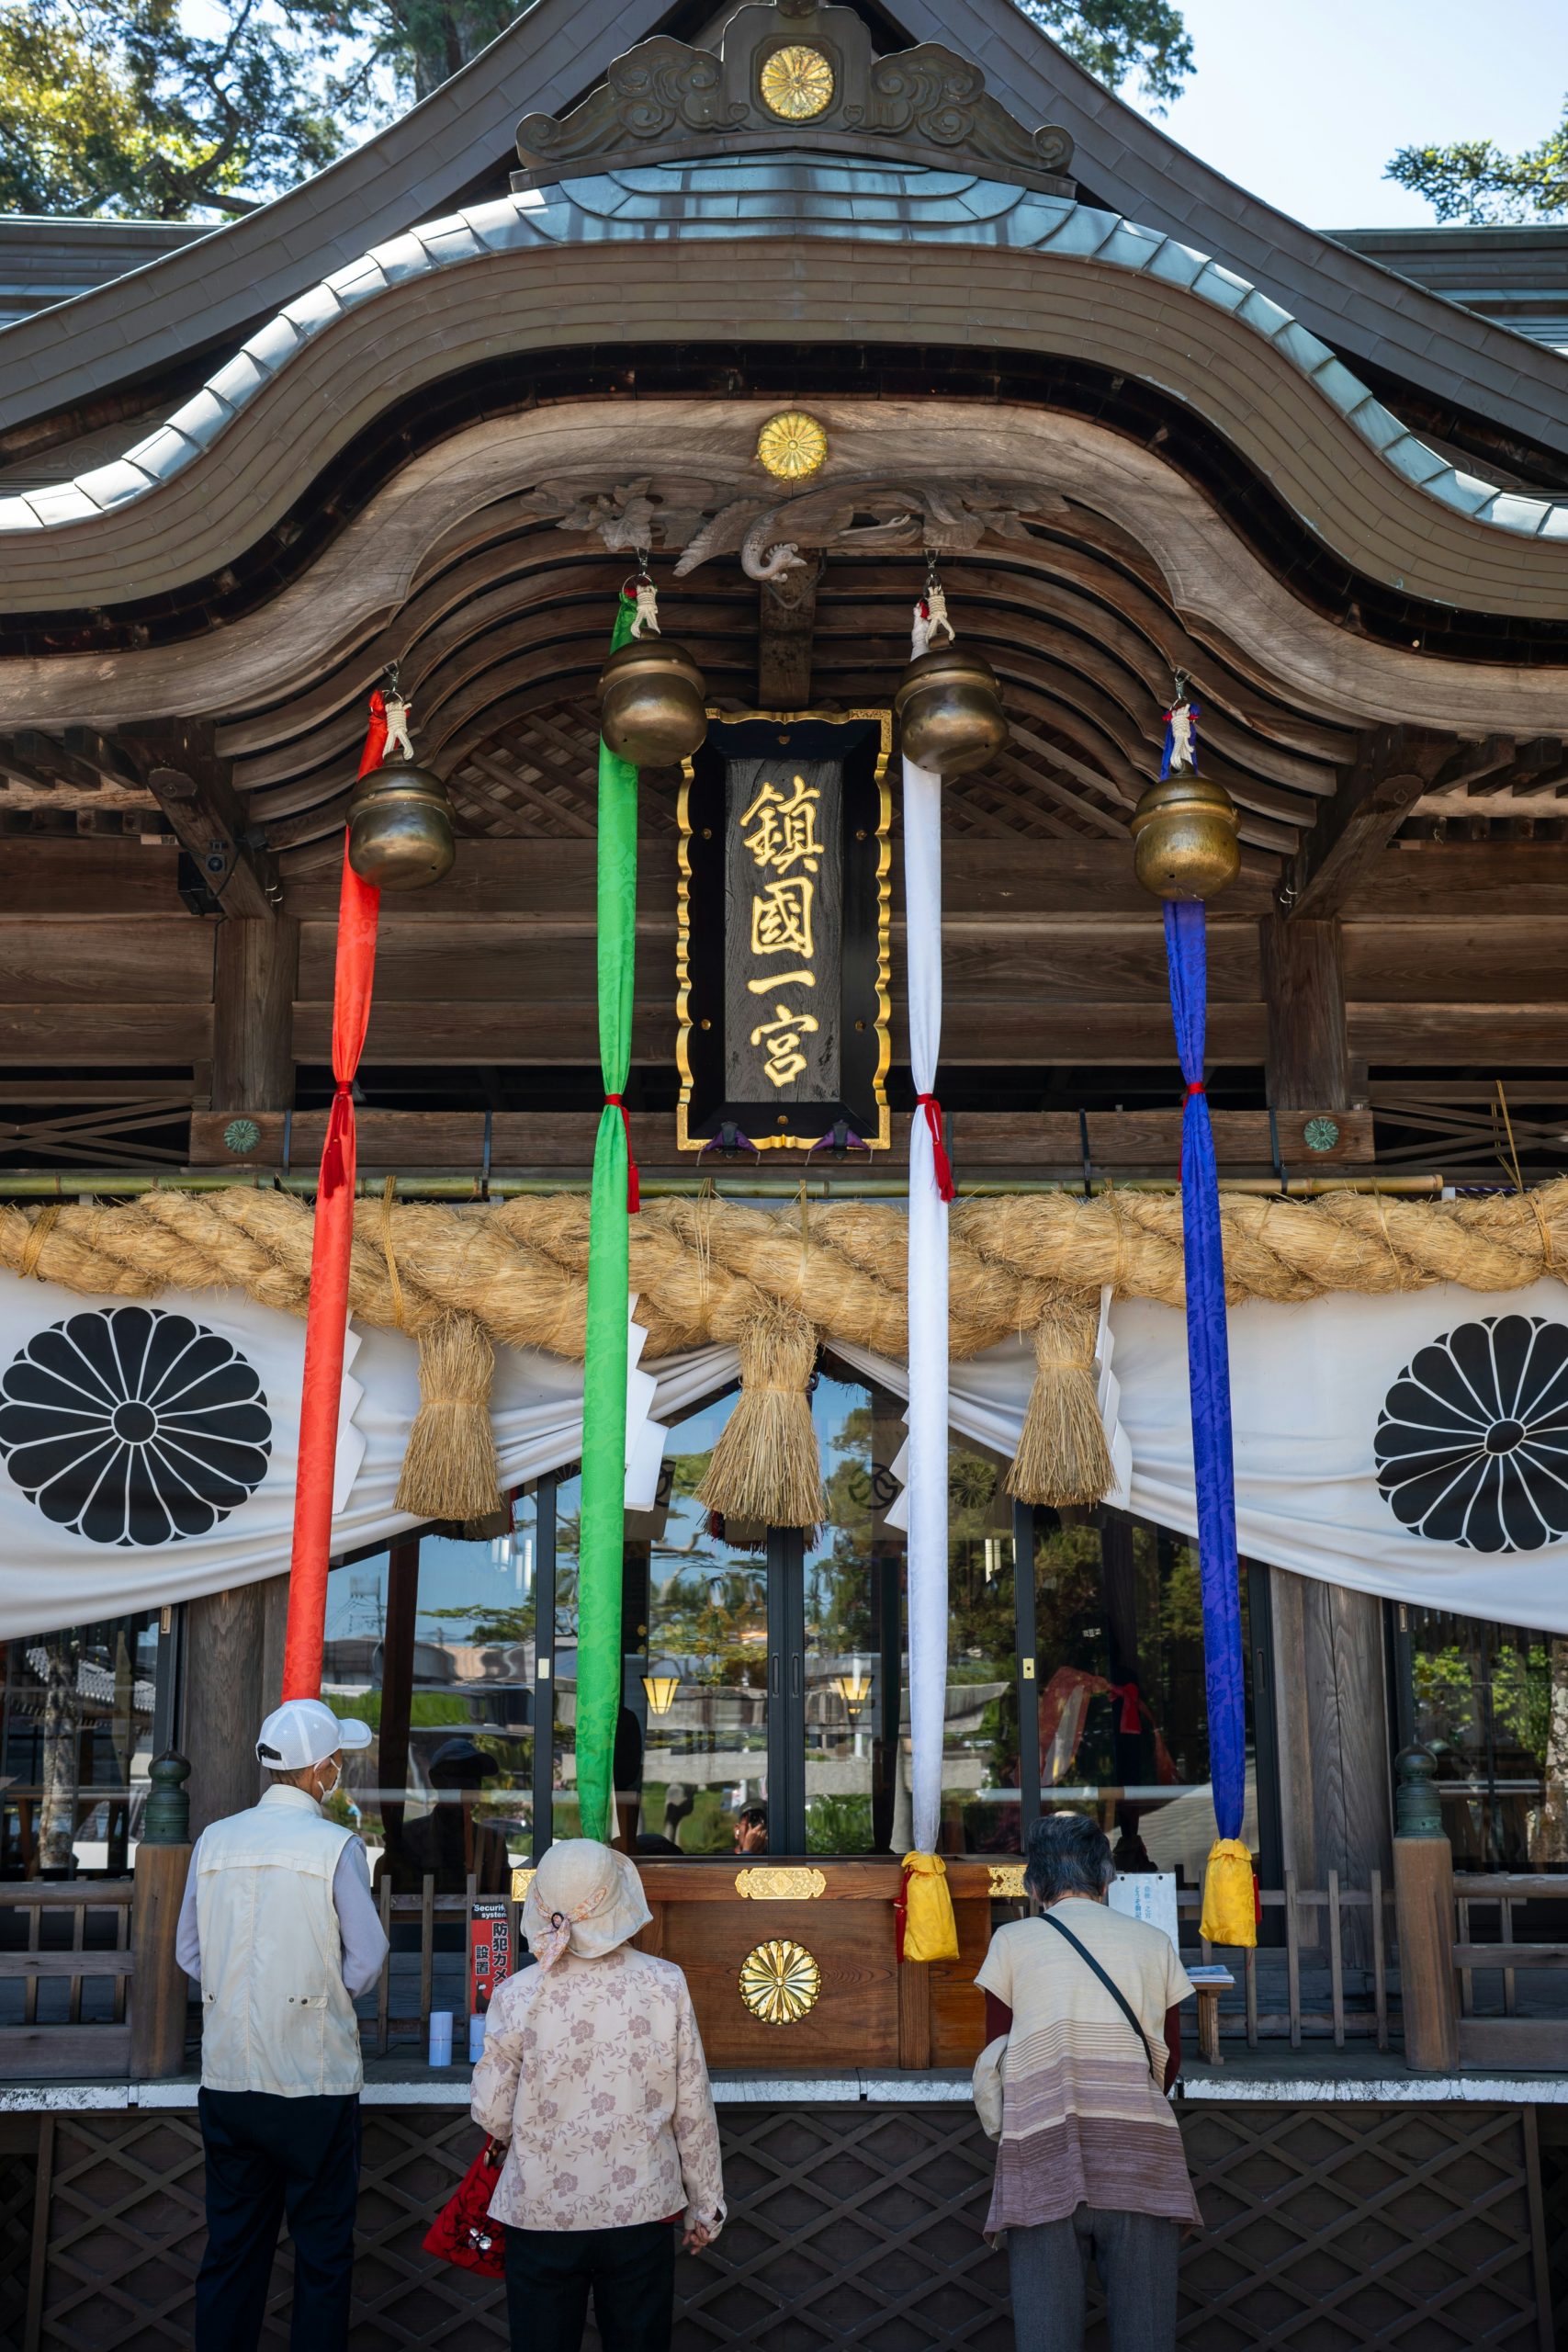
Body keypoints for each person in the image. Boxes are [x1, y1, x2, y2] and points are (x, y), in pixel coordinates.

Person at [176, 1696, 389, 2352]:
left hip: (229, 2079)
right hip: (313, 2079)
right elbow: (369, 1954)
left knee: (232, 2252)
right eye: (338, 1763)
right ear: (322, 1769)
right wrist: (324, 1998)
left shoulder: (216, 1838)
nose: (339, 1773)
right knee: (322, 2258)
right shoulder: (334, 1845)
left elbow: (190, 1953)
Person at [471, 1838, 726, 2352]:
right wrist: (707, 2206)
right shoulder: (666, 1984)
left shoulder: (517, 1992)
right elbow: (693, 2108)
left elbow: (492, 2113)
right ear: (616, 1899)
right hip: (640, 2210)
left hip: (541, 2211)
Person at [975, 1811, 1199, 2352]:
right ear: (1106, 1879)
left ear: (1032, 1885)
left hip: (1043, 2154)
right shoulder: (1151, 1942)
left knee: (1045, 2339)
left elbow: (997, 2054)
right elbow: (1168, 2063)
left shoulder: (1012, 1941)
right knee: (1146, 2339)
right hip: (1139, 2158)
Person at [384, 1735, 511, 1894]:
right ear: (438, 1782)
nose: (469, 1787)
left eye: (475, 1779)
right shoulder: (409, 1837)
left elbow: (502, 1898)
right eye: (459, 1777)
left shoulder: (491, 1842)